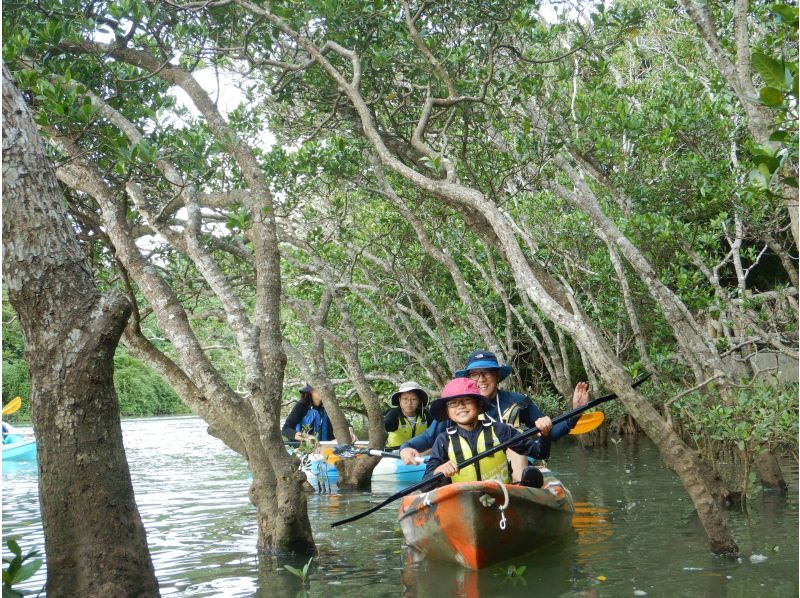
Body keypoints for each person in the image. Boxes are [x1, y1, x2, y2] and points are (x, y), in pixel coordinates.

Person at [400, 349, 588, 481]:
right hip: (467, 469)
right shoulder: (457, 411)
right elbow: (429, 437)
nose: (481, 379)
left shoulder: (518, 402)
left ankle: (519, 490)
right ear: (468, 379)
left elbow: (549, 434)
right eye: (474, 374)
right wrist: (406, 447)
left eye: (487, 373)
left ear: (497, 376)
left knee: (514, 452)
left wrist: (575, 413)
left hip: (517, 464)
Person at [422, 377, 550, 487]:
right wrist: (438, 471)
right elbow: (425, 484)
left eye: (467, 400)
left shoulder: (501, 430)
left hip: (502, 497)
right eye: (453, 403)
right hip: (463, 503)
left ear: (479, 406)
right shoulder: (443, 440)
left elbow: (540, 452)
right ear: (447, 412)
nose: (460, 406)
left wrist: (544, 434)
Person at [282, 384, 358, 444]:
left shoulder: (330, 405)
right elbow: (286, 430)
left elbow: (346, 424)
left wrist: (350, 432)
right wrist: (307, 437)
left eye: (325, 388)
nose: (323, 391)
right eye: (319, 388)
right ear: (311, 391)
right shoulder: (301, 406)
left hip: (327, 446)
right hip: (306, 448)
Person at [384, 381, 433, 450]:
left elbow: (435, 433)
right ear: (400, 401)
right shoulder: (393, 414)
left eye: (414, 399)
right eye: (405, 399)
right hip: (394, 453)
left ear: (419, 401)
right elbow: (382, 430)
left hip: (420, 453)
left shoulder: (425, 415)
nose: (409, 403)